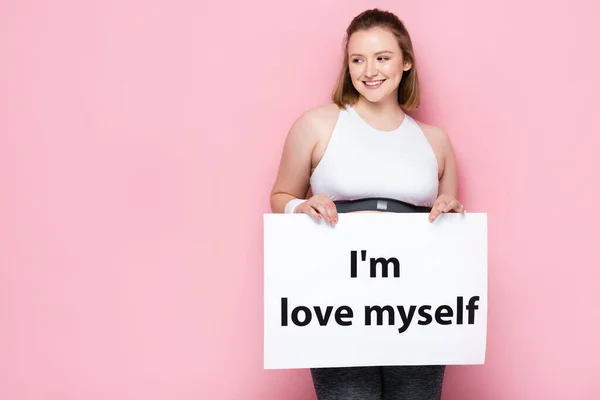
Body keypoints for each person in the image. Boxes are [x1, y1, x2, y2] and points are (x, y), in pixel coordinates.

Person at [269, 8, 465, 400]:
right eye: (357, 59)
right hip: (336, 300)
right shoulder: (316, 125)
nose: (369, 70)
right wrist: (299, 208)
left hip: (417, 306)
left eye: (382, 57)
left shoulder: (435, 140)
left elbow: (449, 221)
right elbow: (281, 196)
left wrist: (451, 212)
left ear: (406, 62)